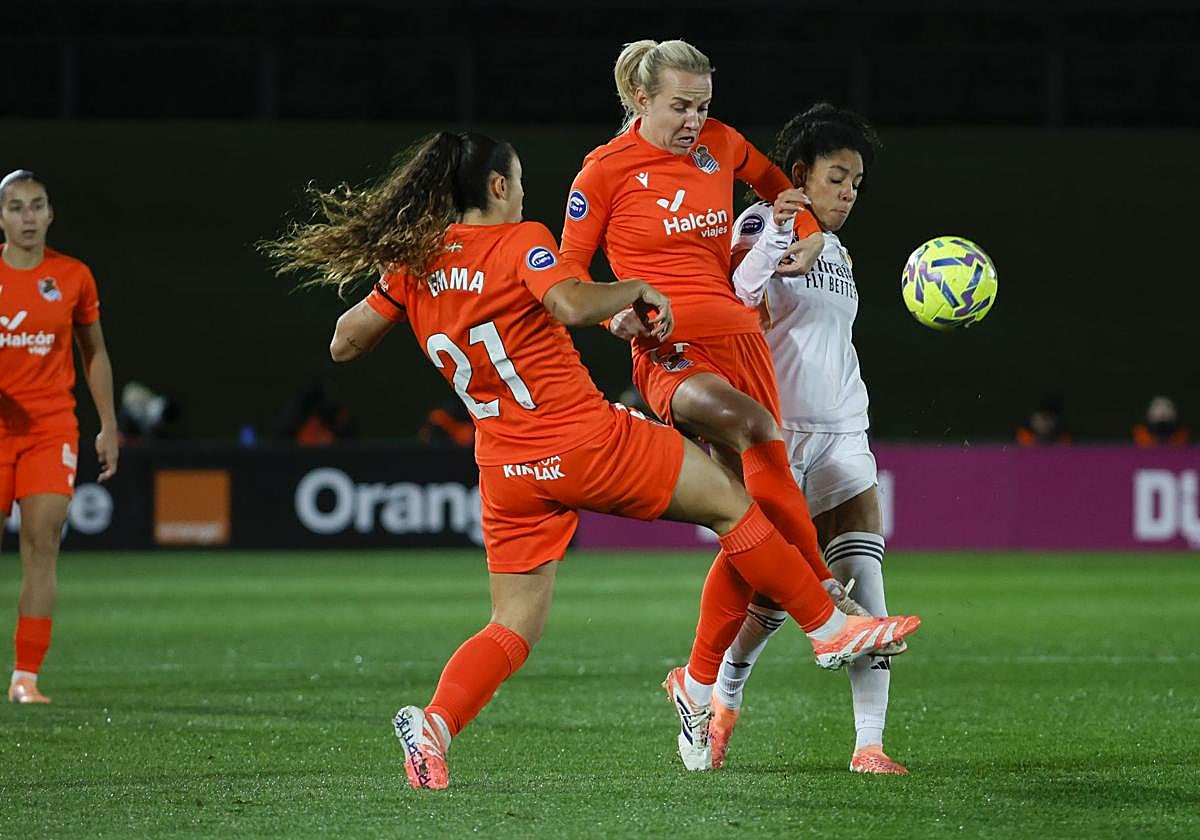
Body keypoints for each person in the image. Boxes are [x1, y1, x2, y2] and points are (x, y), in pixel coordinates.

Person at [263, 131, 921, 788]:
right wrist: (635, 288)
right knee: (733, 502)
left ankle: (435, 726)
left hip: (506, 471)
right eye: (518, 182)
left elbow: (344, 343)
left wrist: (403, 282)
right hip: (585, 439)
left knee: (512, 624)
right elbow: (571, 302)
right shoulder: (520, 242)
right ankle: (826, 626)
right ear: (497, 187)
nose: (524, 193)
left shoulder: (415, 264)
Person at [559, 42, 869, 708]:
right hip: (671, 346)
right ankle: (827, 605)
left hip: (741, 339)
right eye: (680, 106)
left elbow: (780, 192)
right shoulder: (603, 173)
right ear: (641, 101)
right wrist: (616, 318)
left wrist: (810, 231)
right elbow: (569, 279)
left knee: (745, 523)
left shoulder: (721, 145)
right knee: (752, 427)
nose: (695, 120)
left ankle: (697, 685)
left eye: (703, 105)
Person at [709, 104, 917, 774]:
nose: (849, 192)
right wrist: (780, 244)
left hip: (845, 433)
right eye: (837, 176)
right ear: (798, 173)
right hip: (777, 437)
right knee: (771, 598)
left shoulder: (838, 249)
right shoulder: (758, 224)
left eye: (857, 182)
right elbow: (736, 292)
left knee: (868, 585)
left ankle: (870, 745)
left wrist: (824, 244)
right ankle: (719, 693)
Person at [0, 169, 119, 704]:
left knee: (42, 543)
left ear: (50, 214)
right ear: (2, 217)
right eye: (16, 207)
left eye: (36, 205)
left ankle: (26, 677)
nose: (27, 216)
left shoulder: (72, 277)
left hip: (51, 429)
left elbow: (93, 351)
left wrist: (108, 424)